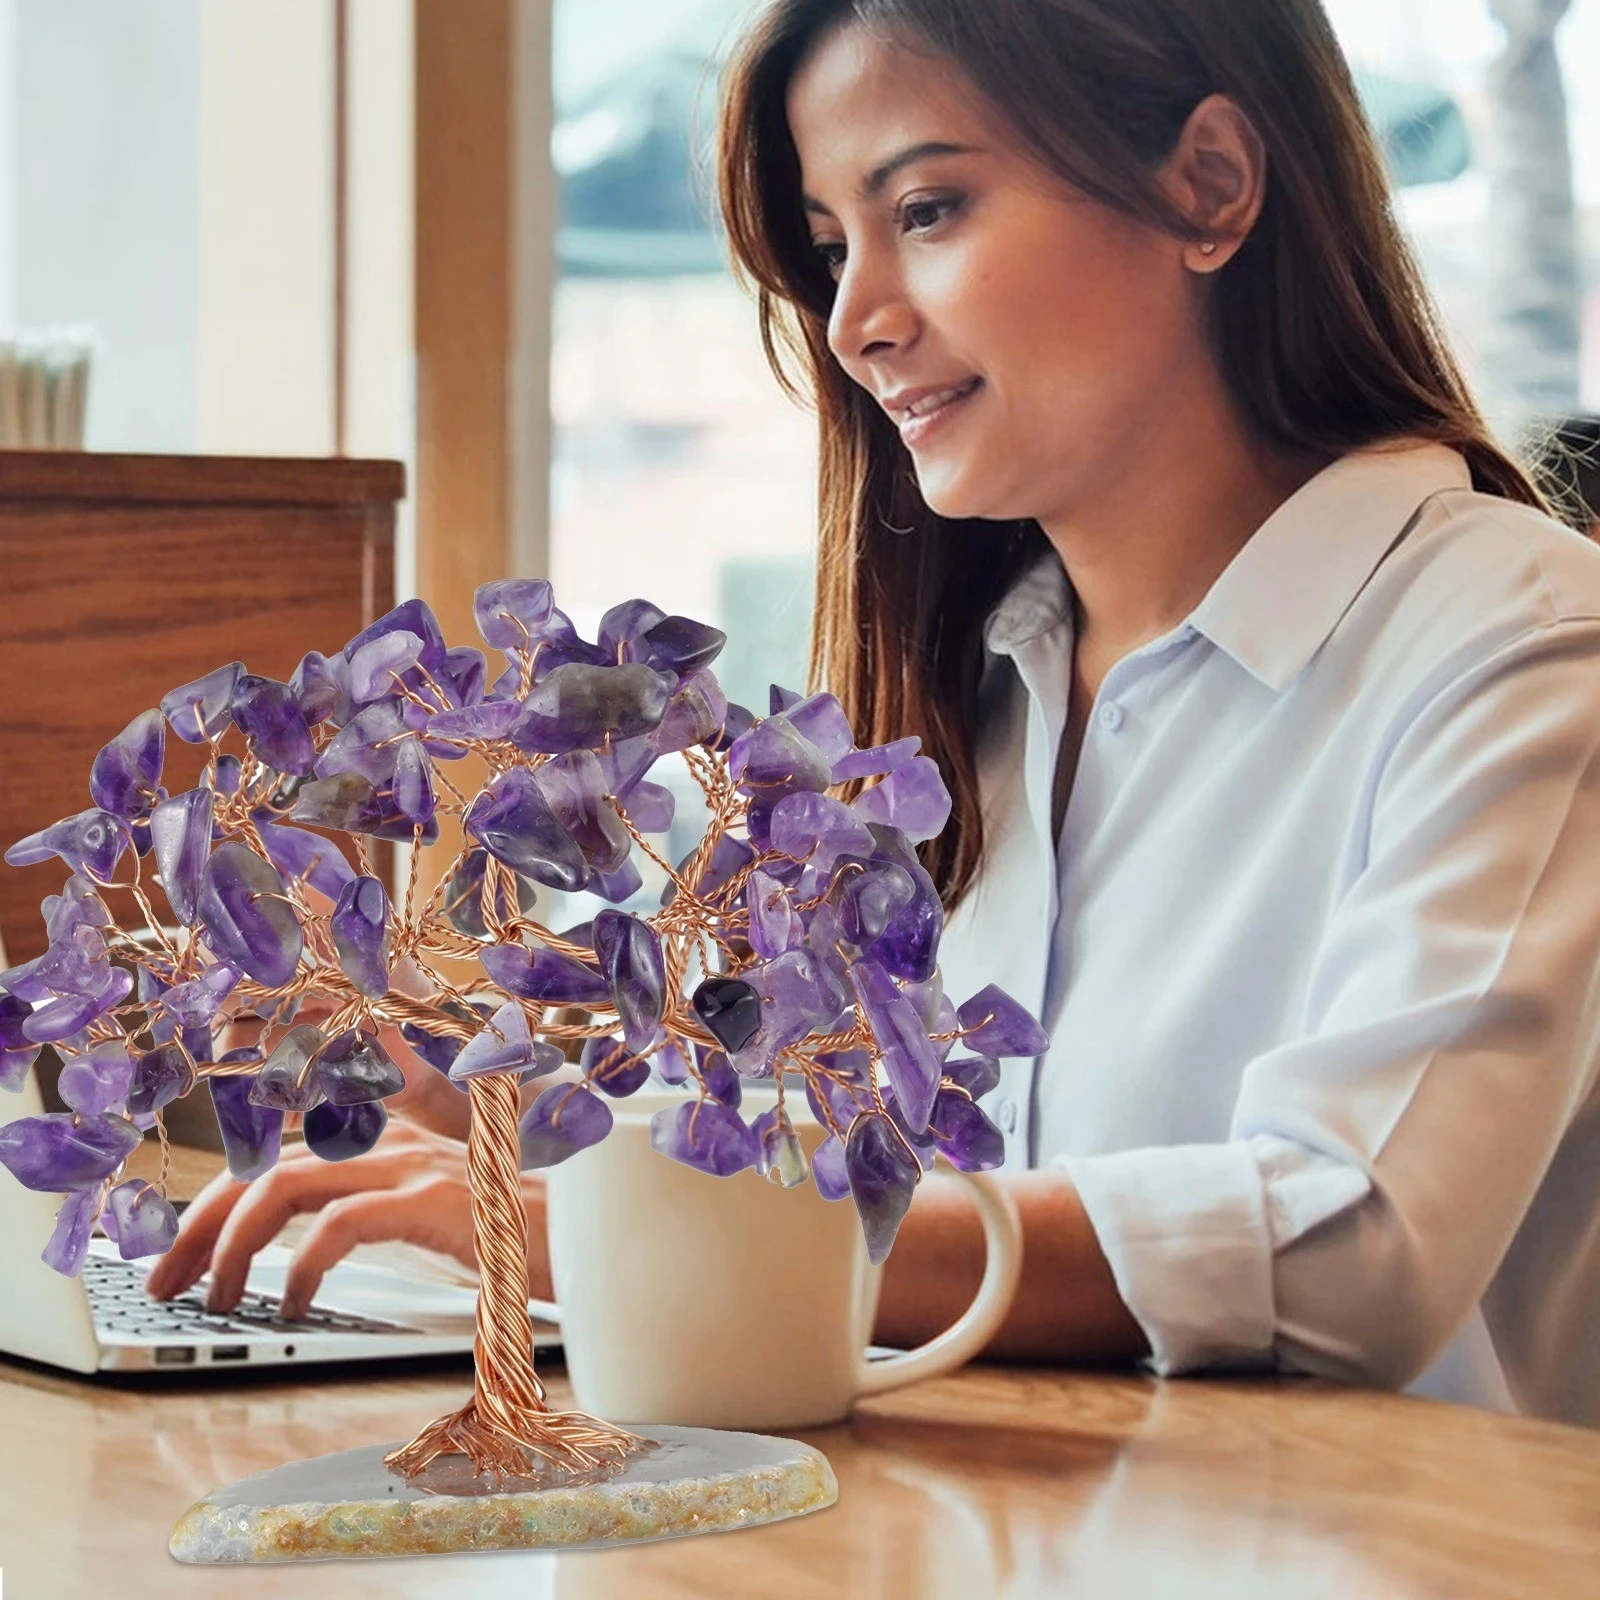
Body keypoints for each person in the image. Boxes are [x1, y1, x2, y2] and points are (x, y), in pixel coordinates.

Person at [152, 0, 1600, 1427]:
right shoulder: (958, 706)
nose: (856, 325)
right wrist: (496, 1128)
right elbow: (873, 1174)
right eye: (833, 250)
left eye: (927, 210)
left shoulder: (1520, 646)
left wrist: (600, 1226)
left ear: (1208, 186)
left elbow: (1349, 1240)